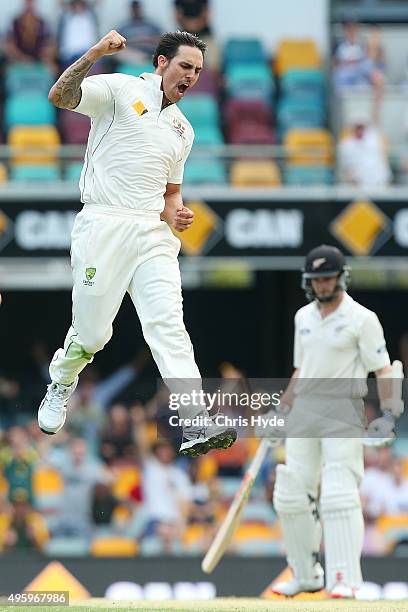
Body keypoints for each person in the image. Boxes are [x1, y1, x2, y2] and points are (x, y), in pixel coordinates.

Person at [38, 30, 237, 458]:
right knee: (92, 334)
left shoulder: (184, 130)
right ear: (162, 63)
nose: (191, 77)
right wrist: (95, 53)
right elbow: (59, 95)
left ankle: (196, 419)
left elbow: (169, 194)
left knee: (169, 327)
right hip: (103, 223)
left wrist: (176, 212)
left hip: (152, 234)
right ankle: (62, 381)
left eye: (198, 71)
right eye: (185, 66)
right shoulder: (120, 88)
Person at [263, 245, 404, 598]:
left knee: (339, 493)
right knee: (291, 492)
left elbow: (383, 369)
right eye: (317, 280)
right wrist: (281, 410)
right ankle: (305, 574)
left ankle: (344, 579)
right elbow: (301, 369)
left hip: (342, 410)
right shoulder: (302, 318)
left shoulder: (363, 319)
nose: (323, 285)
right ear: (309, 282)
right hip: (304, 413)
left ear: (341, 278)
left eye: (329, 278)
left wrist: (389, 414)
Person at [338, 90, 391, 188]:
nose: (360, 129)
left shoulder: (374, 136)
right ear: (353, 127)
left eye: (362, 126)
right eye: (358, 127)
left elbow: (376, 112)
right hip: (359, 188)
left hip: (381, 185)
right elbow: (347, 170)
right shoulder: (346, 145)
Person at [5, 0, 57, 72]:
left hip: (39, 59)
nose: (30, 5)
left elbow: (50, 44)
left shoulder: (43, 22)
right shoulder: (15, 22)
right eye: (28, 2)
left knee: (53, 69)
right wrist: (21, 58)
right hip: (18, 59)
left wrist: (42, 58)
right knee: (8, 70)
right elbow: (9, 44)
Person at [333, 21, 385, 92]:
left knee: (376, 77)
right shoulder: (339, 45)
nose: (351, 30)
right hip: (345, 78)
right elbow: (336, 64)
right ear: (344, 29)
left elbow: (371, 64)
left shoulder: (363, 45)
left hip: (361, 78)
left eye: (354, 27)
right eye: (348, 27)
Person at [117, 1, 162, 65]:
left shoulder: (152, 26)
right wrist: (141, 40)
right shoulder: (124, 28)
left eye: (137, 8)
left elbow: (160, 40)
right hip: (130, 55)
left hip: (150, 53)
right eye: (134, 9)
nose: (136, 11)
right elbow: (118, 43)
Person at [57, 0, 99, 69]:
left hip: (89, 53)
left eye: (80, 4)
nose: (78, 7)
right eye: (76, 4)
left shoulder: (91, 17)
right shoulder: (66, 18)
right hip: (70, 56)